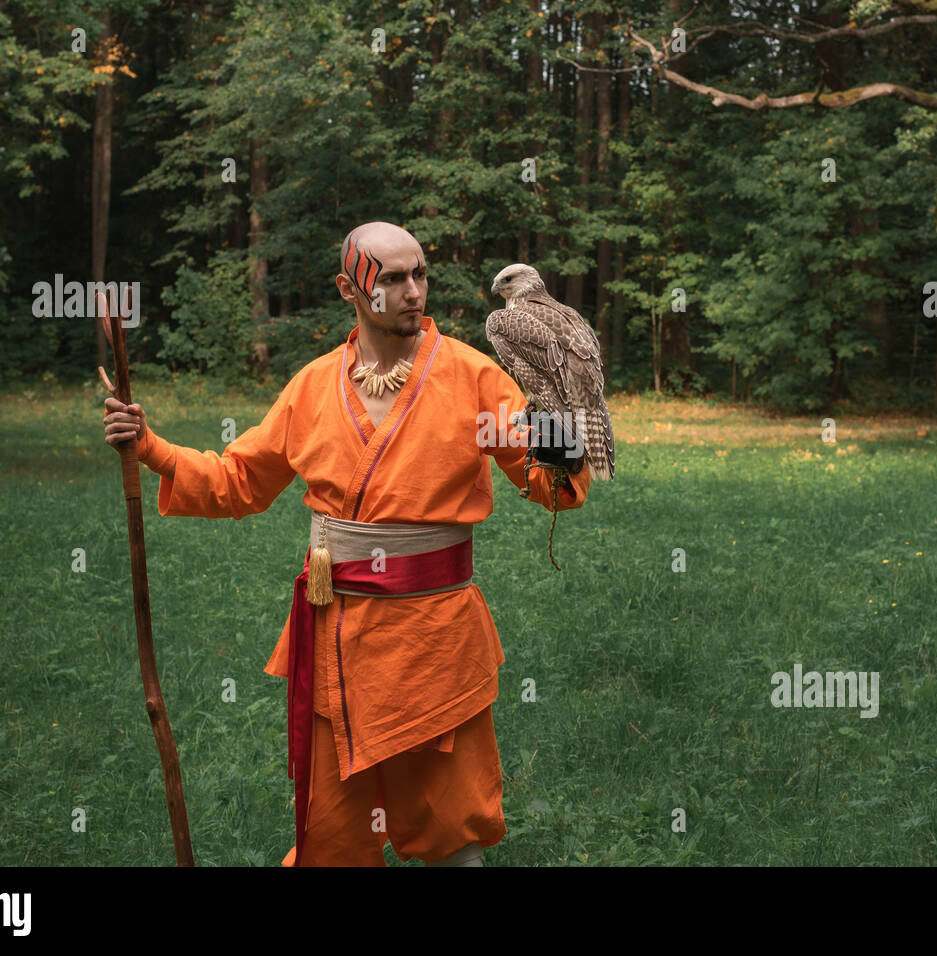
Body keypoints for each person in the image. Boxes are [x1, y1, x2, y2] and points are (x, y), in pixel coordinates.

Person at [102, 221, 591, 866]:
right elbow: (240, 479)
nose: (413, 291)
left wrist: (570, 428)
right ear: (349, 288)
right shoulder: (310, 389)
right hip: (334, 639)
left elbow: (551, 483)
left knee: (452, 831)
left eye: (420, 274)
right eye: (391, 278)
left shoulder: (473, 378)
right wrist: (153, 450)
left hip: (435, 640)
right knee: (331, 836)